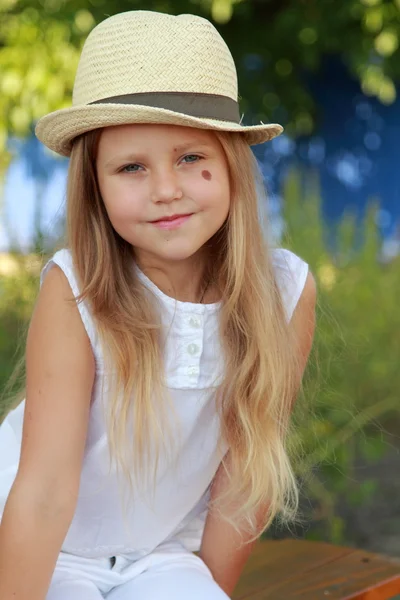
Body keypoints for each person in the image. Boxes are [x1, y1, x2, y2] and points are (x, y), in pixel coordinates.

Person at [0, 10, 316, 600]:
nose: (166, 189)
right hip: (38, 548)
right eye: (132, 167)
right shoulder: (76, 289)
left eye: (191, 158)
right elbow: (42, 494)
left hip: (160, 557)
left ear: (231, 166)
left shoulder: (283, 292)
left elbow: (246, 479)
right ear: (94, 185)